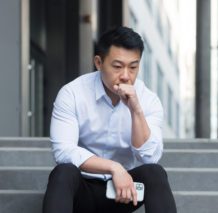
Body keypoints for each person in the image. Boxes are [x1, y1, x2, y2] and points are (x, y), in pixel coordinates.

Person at [43, 26, 177, 213]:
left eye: (133, 67)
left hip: (124, 193)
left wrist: (136, 110)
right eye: (117, 66)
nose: (125, 76)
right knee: (63, 172)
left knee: (155, 173)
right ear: (98, 62)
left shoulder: (148, 100)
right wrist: (114, 168)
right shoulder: (72, 93)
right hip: (82, 191)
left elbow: (150, 157)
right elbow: (64, 152)